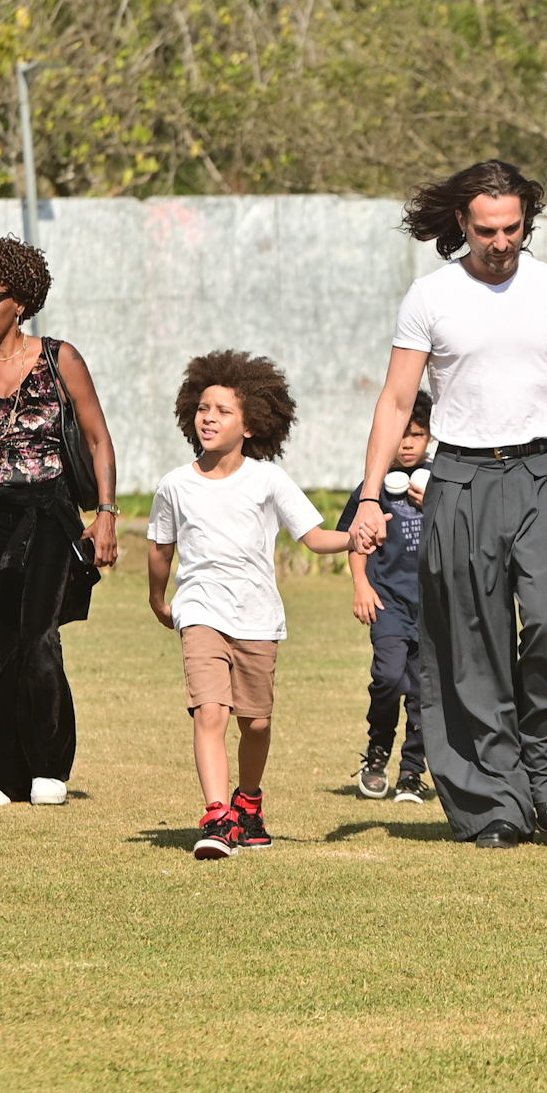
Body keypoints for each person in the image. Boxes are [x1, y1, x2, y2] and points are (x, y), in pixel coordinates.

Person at [348, 161, 547, 849]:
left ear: (526, 221)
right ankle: (496, 802)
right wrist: (370, 496)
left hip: (544, 472)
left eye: (513, 228)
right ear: (461, 226)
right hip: (462, 478)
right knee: (473, 647)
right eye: (487, 230)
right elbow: (393, 400)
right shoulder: (431, 297)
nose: (501, 242)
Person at [147, 351, 353, 860]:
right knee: (209, 711)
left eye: (223, 410)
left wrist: (357, 537)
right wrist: (158, 597)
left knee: (255, 722)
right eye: (202, 408)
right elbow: (160, 548)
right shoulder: (175, 484)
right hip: (198, 611)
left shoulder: (267, 481)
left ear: (253, 423)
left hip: (257, 616)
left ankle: (249, 803)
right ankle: (218, 817)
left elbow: (316, 536)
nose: (209, 417)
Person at [0, 237, 120, 808]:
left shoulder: (58, 357)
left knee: (40, 635)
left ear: (19, 301)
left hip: (50, 511)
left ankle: (49, 764)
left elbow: (98, 437)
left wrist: (106, 514)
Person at [337, 390, 434, 802]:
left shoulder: (441, 485)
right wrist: (361, 584)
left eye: (417, 435)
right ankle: (377, 753)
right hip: (388, 602)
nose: (408, 444)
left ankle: (413, 771)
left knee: (423, 691)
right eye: (400, 435)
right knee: (390, 677)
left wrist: (437, 504)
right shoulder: (372, 488)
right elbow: (354, 540)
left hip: (433, 606)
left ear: (430, 438)